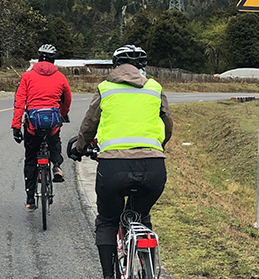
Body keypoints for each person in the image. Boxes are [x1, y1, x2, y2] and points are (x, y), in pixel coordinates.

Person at [69, 45, 173, 279]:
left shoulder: (106, 88)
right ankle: (147, 266)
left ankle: (108, 276)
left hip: (113, 167)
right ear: (142, 68)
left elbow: (89, 125)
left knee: (107, 220)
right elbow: (167, 126)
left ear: (115, 67)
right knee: (140, 214)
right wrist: (156, 147)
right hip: (153, 167)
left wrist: (79, 148)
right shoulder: (155, 87)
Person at [11, 44, 72, 212]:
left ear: (38, 59)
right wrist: (63, 113)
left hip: (32, 125)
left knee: (30, 159)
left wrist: (16, 126)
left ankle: (30, 200)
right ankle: (57, 166)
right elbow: (67, 99)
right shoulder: (60, 77)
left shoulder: (27, 77)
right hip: (52, 123)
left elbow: (19, 103)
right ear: (53, 60)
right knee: (54, 141)